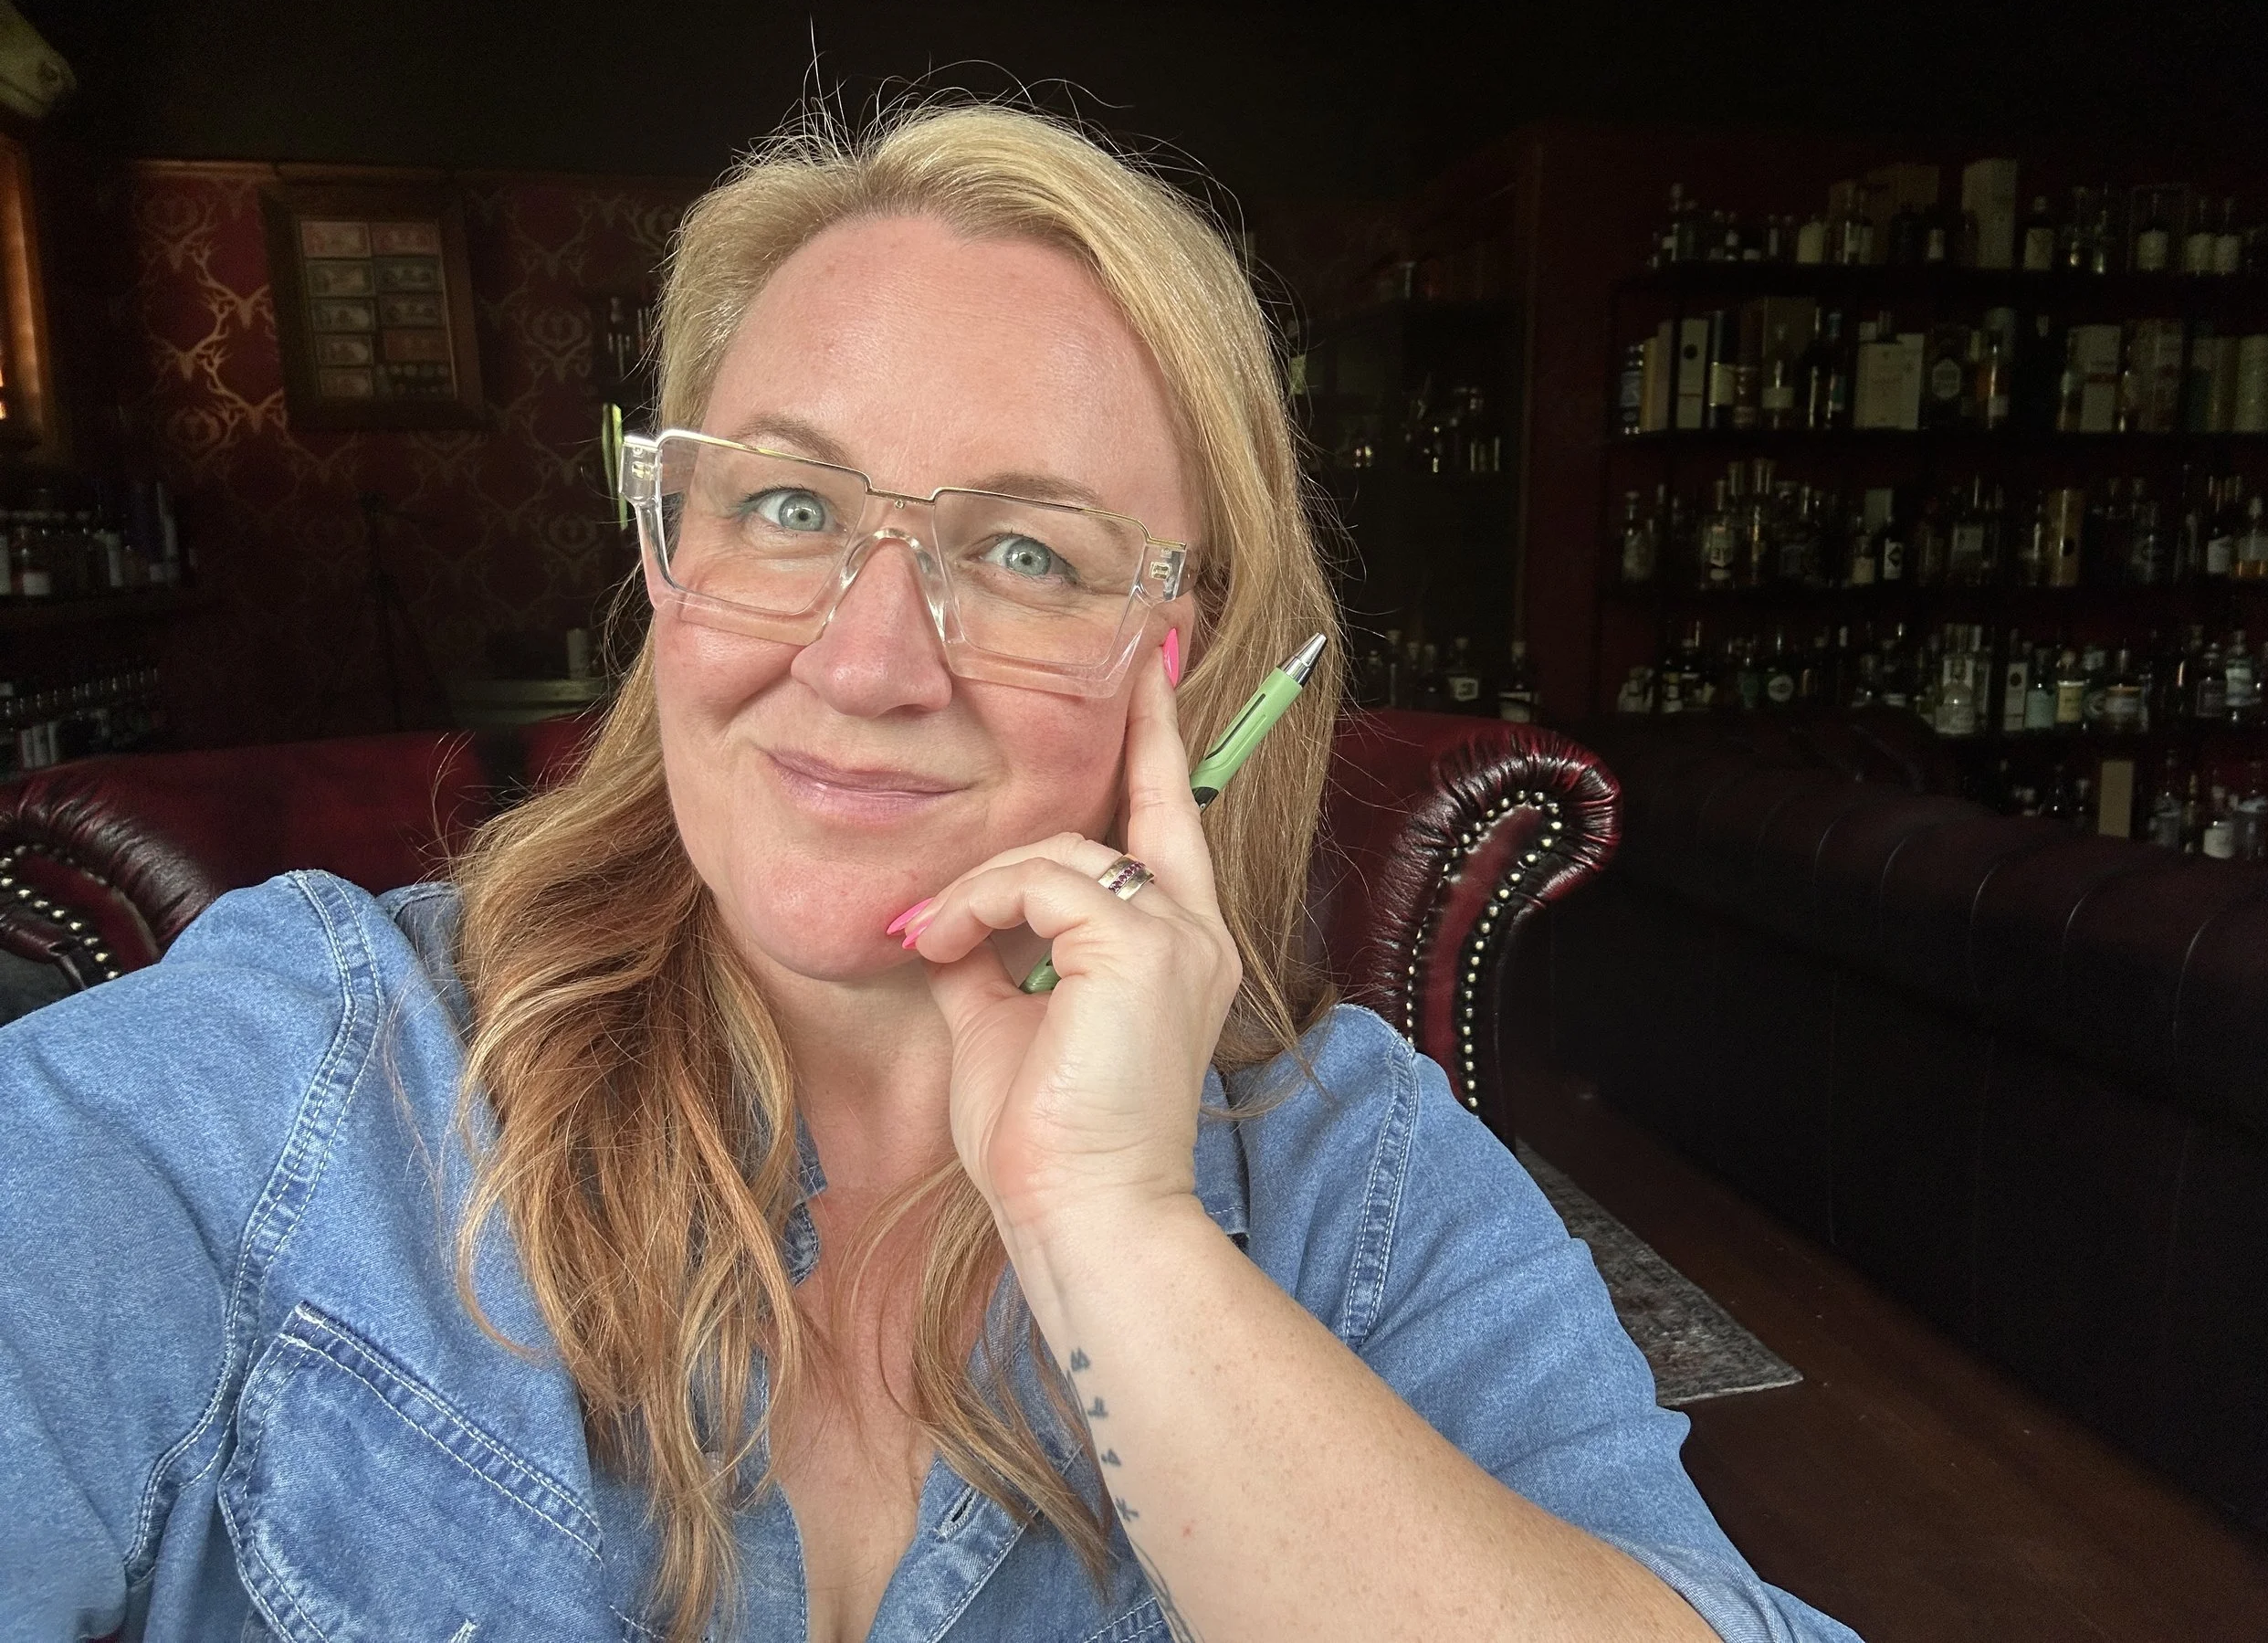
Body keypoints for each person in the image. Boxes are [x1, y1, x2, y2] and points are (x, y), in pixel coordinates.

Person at [0, 103, 1861, 1643]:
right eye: (789, 507)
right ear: (671, 560)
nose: (867, 658)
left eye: (1030, 552)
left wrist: (1113, 1228)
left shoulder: (1351, 1193)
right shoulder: (301, 1073)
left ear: (1190, 669)